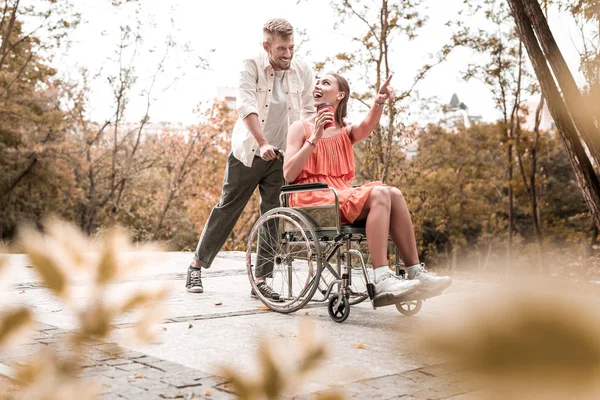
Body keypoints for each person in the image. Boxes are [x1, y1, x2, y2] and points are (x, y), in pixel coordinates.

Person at [283, 72, 452, 300]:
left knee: (394, 193)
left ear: (340, 95)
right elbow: (289, 173)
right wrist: (315, 136)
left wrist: (379, 100)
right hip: (311, 196)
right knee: (380, 192)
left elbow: (368, 125)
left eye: (325, 82)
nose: (318, 85)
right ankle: (381, 276)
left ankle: (415, 272)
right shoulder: (300, 127)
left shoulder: (345, 131)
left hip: (339, 193)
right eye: (317, 82)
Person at [186, 19, 315, 299]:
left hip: (282, 155)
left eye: (291, 47)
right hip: (249, 152)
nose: (288, 54)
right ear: (266, 46)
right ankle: (196, 265)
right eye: (281, 49)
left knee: (272, 216)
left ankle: (261, 280)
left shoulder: (302, 68)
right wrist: (263, 142)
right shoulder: (251, 66)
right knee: (227, 209)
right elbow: (246, 106)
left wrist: (303, 147)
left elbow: (309, 110)